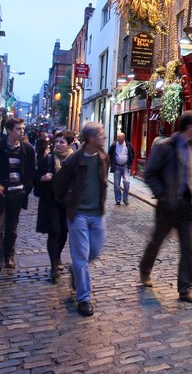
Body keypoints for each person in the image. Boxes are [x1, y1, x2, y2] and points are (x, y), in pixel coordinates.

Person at [139, 111, 192, 304]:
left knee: (188, 248)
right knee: (157, 241)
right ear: (188, 127)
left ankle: (186, 289)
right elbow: (150, 174)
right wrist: (162, 194)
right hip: (168, 206)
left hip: (187, 207)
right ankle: (145, 269)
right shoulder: (165, 147)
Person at [53, 122, 108, 317]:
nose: (104, 136)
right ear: (91, 138)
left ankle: (76, 271)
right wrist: (68, 202)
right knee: (81, 257)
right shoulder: (74, 160)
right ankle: (83, 299)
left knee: (94, 252)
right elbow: (58, 185)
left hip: (97, 214)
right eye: (101, 133)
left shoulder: (102, 157)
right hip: (78, 215)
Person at [34, 130, 74, 283]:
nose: (58, 144)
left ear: (69, 144)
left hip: (67, 203)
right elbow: (35, 177)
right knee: (54, 232)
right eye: (56, 142)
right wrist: (42, 177)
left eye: (62, 142)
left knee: (64, 232)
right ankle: (53, 267)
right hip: (51, 201)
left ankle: (57, 257)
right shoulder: (47, 160)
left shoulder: (74, 160)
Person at [0, 117, 36, 270]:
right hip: (1, 194)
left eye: (23, 128)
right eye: (18, 129)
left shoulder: (27, 149)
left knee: (12, 228)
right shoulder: (1, 146)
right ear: (9, 130)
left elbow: (31, 173)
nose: (22, 131)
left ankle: (9, 256)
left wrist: (24, 190)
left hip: (17, 194)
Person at [108, 132, 135, 206]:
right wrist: (111, 163)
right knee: (116, 184)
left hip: (125, 167)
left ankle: (125, 199)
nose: (118, 138)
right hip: (117, 167)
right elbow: (109, 153)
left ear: (123, 138)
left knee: (127, 182)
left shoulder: (128, 145)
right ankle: (118, 199)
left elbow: (132, 153)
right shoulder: (114, 145)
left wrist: (130, 162)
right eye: (117, 136)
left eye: (119, 137)